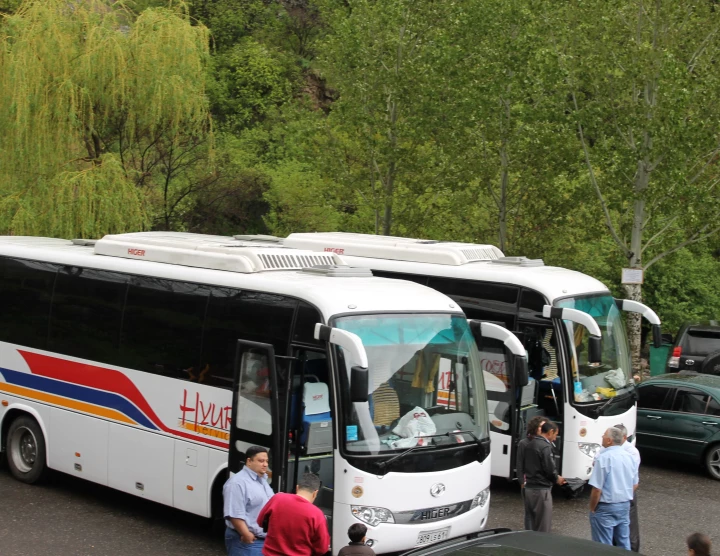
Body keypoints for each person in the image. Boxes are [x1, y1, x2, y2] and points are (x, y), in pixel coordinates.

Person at [257, 472, 330, 556]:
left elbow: (260, 522)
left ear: (297, 488)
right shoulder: (317, 514)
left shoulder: (277, 498)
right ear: (315, 493)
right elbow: (322, 548)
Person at [588, 427, 638, 550]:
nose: (602, 437)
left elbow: (597, 489)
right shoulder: (630, 457)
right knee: (624, 543)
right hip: (624, 505)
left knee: (603, 546)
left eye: (604, 435)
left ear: (609, 440)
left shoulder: (603, 458)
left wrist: (592, 508)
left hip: (606, 507)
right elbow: (635, 483)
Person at [223, 446, 274, 556]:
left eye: (266, 461)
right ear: (249, 461)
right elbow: (234, 513)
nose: (265, 464)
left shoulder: (262, 479)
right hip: (246, 541)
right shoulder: (237, 483)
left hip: (263, 540)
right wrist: (246, 534)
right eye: (261, 461)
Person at [522, 420, 566, 532]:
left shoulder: (529, 444)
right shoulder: (545, 447)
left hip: (529, 488)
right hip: (541, 490)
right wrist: (557, 478)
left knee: (530, 524)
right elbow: (549, 469)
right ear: (550, 432)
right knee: (543, 527)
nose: (555, 438)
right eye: (555, 435)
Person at [516, 415, 547, 530]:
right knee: (529, 512)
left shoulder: (545, 443)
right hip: (527, 482)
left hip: (540, 483)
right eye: (540, 427)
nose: (542, 429)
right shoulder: (524, 443)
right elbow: (519, 464)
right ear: (534, 428)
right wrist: (521, 481)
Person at [614, 423, 641, 552]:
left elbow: (632, 480)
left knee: (629, 530)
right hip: (614, 494)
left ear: (624, 437)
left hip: (626, 494)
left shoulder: (631, 452)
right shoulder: (610, 449)